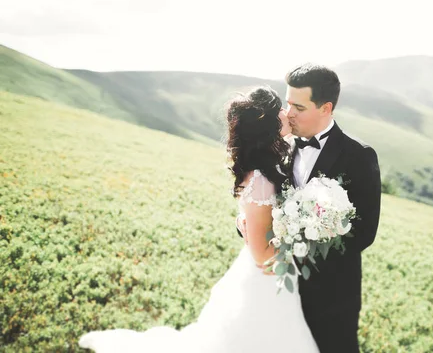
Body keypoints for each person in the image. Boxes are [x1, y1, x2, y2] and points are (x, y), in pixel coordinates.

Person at [78, 86, 319, 352]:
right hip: (269, 275)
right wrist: (298, 247)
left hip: (278, 269)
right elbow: (262, 255)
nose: (287, 112)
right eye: (281, 109)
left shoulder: (275, 160)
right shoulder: (261, 181)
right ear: (269, 123)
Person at [274, 63, 382, 352]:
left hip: (333, 294)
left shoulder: (359, 156)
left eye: (299, 106)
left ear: (326, 108)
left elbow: (364, 233)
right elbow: (263, 206)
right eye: (287, 104)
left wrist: (309, 242)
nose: (288, 113)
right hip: (280, 286)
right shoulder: (279, 148)